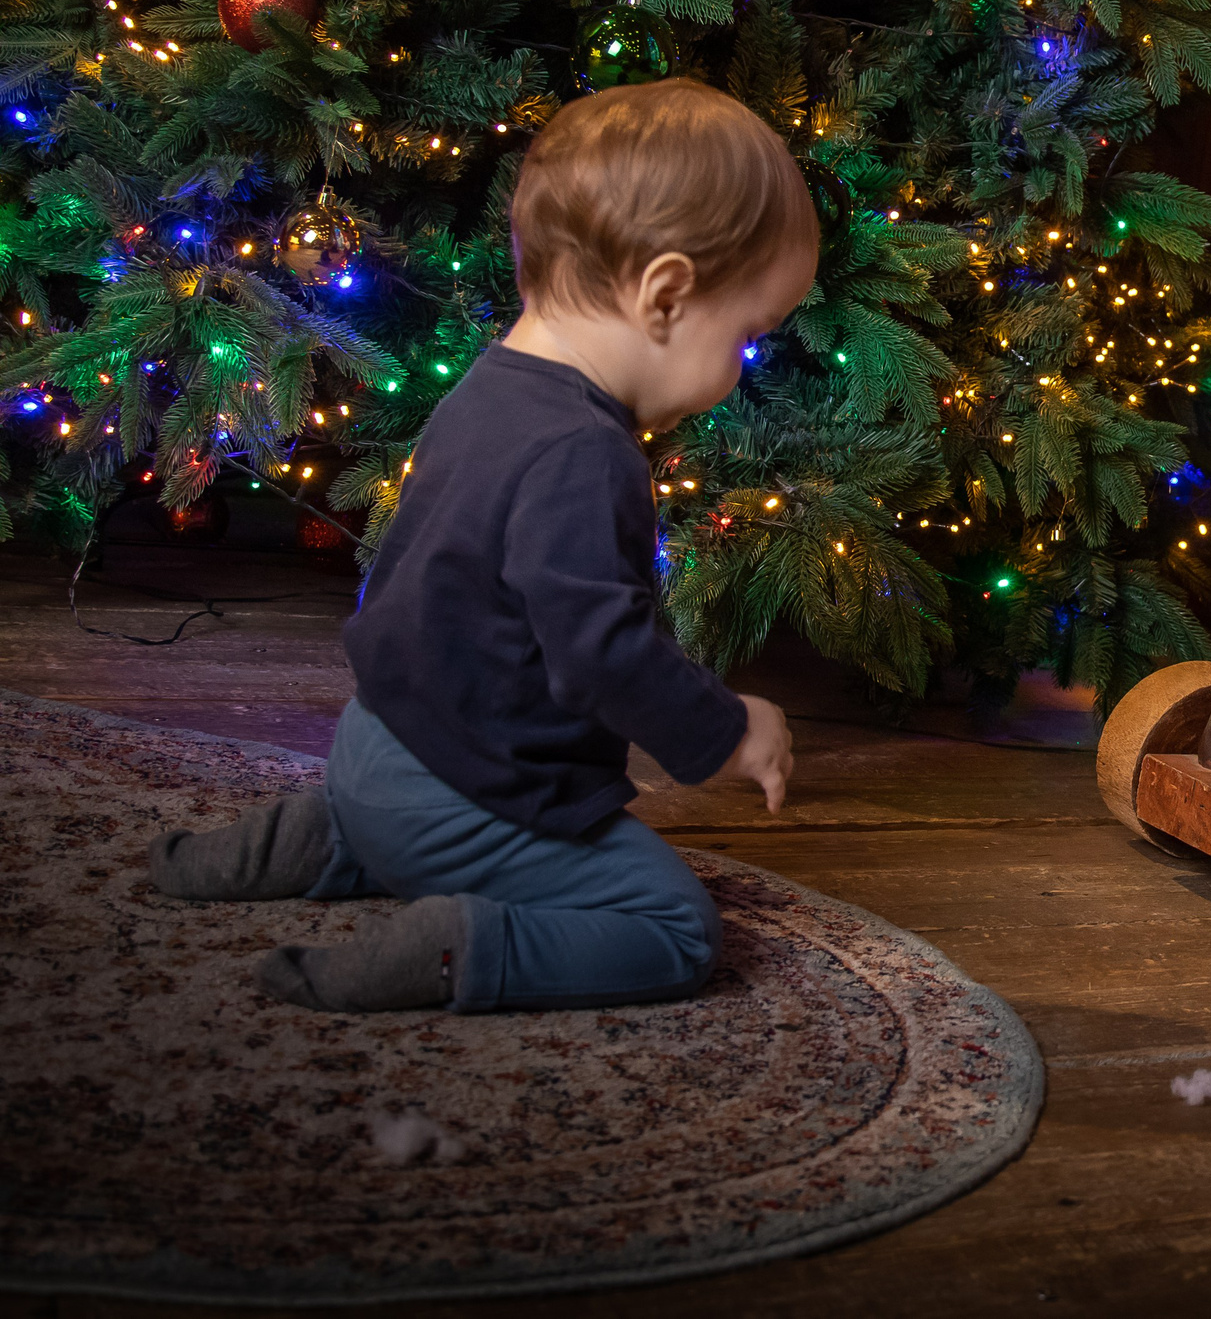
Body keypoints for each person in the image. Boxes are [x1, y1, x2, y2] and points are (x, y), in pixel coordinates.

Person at [147, 77, 815, 1012]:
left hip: (368, 748)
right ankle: (462, 942)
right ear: (665, 295)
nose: (736, 368)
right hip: (465, 795)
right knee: (677, 931)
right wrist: (729, 728)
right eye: (745, 336)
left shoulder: (489, 386)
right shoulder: (589, 451)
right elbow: (601, 652)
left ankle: (333, 838)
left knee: (395, 808)